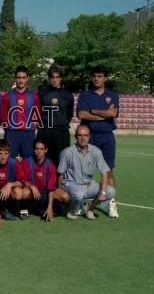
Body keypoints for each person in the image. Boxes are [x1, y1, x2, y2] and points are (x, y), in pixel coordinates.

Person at [76, 65, 119, 218]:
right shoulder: (85, 95)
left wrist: (93, 111)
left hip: (107, 137)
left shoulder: (112, 95)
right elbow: (81, 114)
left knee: (108, 171)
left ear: (105, 78)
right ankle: (80, 202)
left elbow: (113, 113)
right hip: (89, 137)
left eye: (100, 76)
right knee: (83, 171)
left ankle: (111, 203)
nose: (96, 78)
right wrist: (104, 115)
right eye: (94, 76)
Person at [57, 125, 115, 220]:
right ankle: (71, 209)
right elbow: (60, 174)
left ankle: (89, 207)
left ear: (89, 136)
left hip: (88, 185)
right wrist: (60, 191)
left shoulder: (96, 151)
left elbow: (104, 172)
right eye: (80, 135)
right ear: (75, 136)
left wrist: (103, 192)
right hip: (71, 185)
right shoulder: (67, 152)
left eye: (85, 135)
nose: (83, 138)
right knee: (79, 194)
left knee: (110, 191)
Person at [19, 138, 70, 222]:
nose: (39, 151)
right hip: (32, 192)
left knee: (65, 196)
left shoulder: (50, 165)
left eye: (41, 149)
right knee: (22, 193)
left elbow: (51, 188)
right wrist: (32, 186)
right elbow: (22, 180)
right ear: (33, 149)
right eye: (36, 149)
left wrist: (49, 207)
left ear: (46, 150)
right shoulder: (27, 161)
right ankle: (25, 207)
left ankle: (49, 207)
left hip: (45, 192)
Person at [0, 65, 41, 159]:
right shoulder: (7, 96)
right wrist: (9, 129)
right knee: (9, 160)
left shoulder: (34, 96)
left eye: (23, 77)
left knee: (29, 161)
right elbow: (3, 116)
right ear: (15, 78)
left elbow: (36, 117)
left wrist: (31, 127)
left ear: (27, 78)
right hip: (12, 133)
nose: (21, 80)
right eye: (18, 77)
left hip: (28, 134)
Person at [37, 64, 74, 165]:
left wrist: (60, 123)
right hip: (45, 132)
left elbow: (69, 114)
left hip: (61, 133)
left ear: (61, 78)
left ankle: (59, 181)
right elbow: (37, 111)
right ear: (49, 78)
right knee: (43, 162)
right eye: (52, 77)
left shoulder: (67, 95)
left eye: (57, 77)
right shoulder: (42, 93)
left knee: (61, 163)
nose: (55, 80)